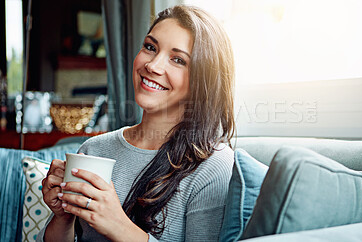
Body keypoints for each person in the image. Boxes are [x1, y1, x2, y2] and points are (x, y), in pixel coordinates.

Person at [38, 5, 235, 242]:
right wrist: (62, 218)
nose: (152, 66)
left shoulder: (213, 166)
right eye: (150, 47)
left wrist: (118, 224)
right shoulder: (94, 150)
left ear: (202, 80)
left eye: (178, 60)